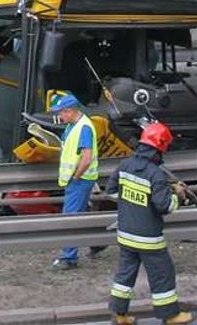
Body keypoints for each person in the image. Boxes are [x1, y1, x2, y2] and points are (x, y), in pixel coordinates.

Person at [106, 121, 192, 325]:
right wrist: (178, 196)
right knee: (163, 273)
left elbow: (110, 191)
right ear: (160, 146)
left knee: (125, 275)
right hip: (148, 238)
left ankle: (120, 315)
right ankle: (170, 315)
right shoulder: (156, 174)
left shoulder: (125, 165)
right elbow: (165, 207)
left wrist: (133, 203)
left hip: (126, 234)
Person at [50, 91, 98, 269]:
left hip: (79, 180)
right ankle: (98, 242)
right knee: (82, 214)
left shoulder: (83, 127)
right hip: (79, 179)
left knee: (70, 217)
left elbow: (86, 158)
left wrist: (76, 177)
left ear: (69, 111)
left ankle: (68, 258)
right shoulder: (74, 125)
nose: (59, 116)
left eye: (61, 112)